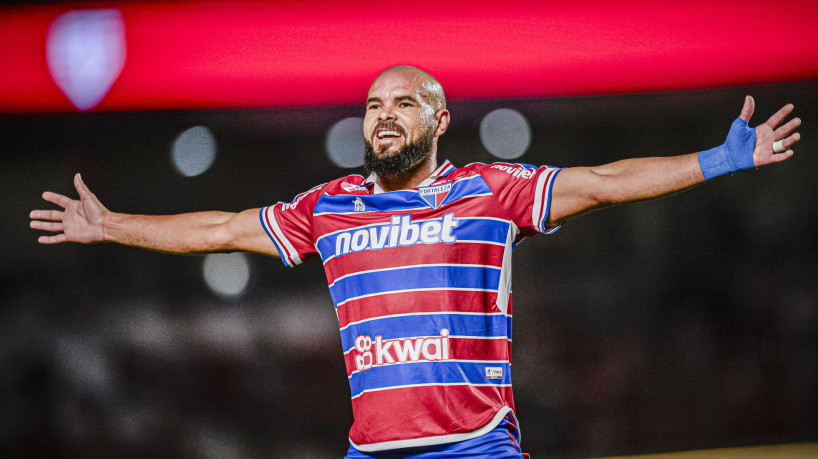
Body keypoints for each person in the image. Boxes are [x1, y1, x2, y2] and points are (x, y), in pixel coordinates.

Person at [30, 65, 801, 458]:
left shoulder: (491, 191)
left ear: (438, 120)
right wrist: (111, 224)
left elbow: (602, 182)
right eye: (373, 105)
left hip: (477, 444)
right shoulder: (328, 206)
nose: (384, 115)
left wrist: (718, 159)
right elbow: (222, 228)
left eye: (402, 103)